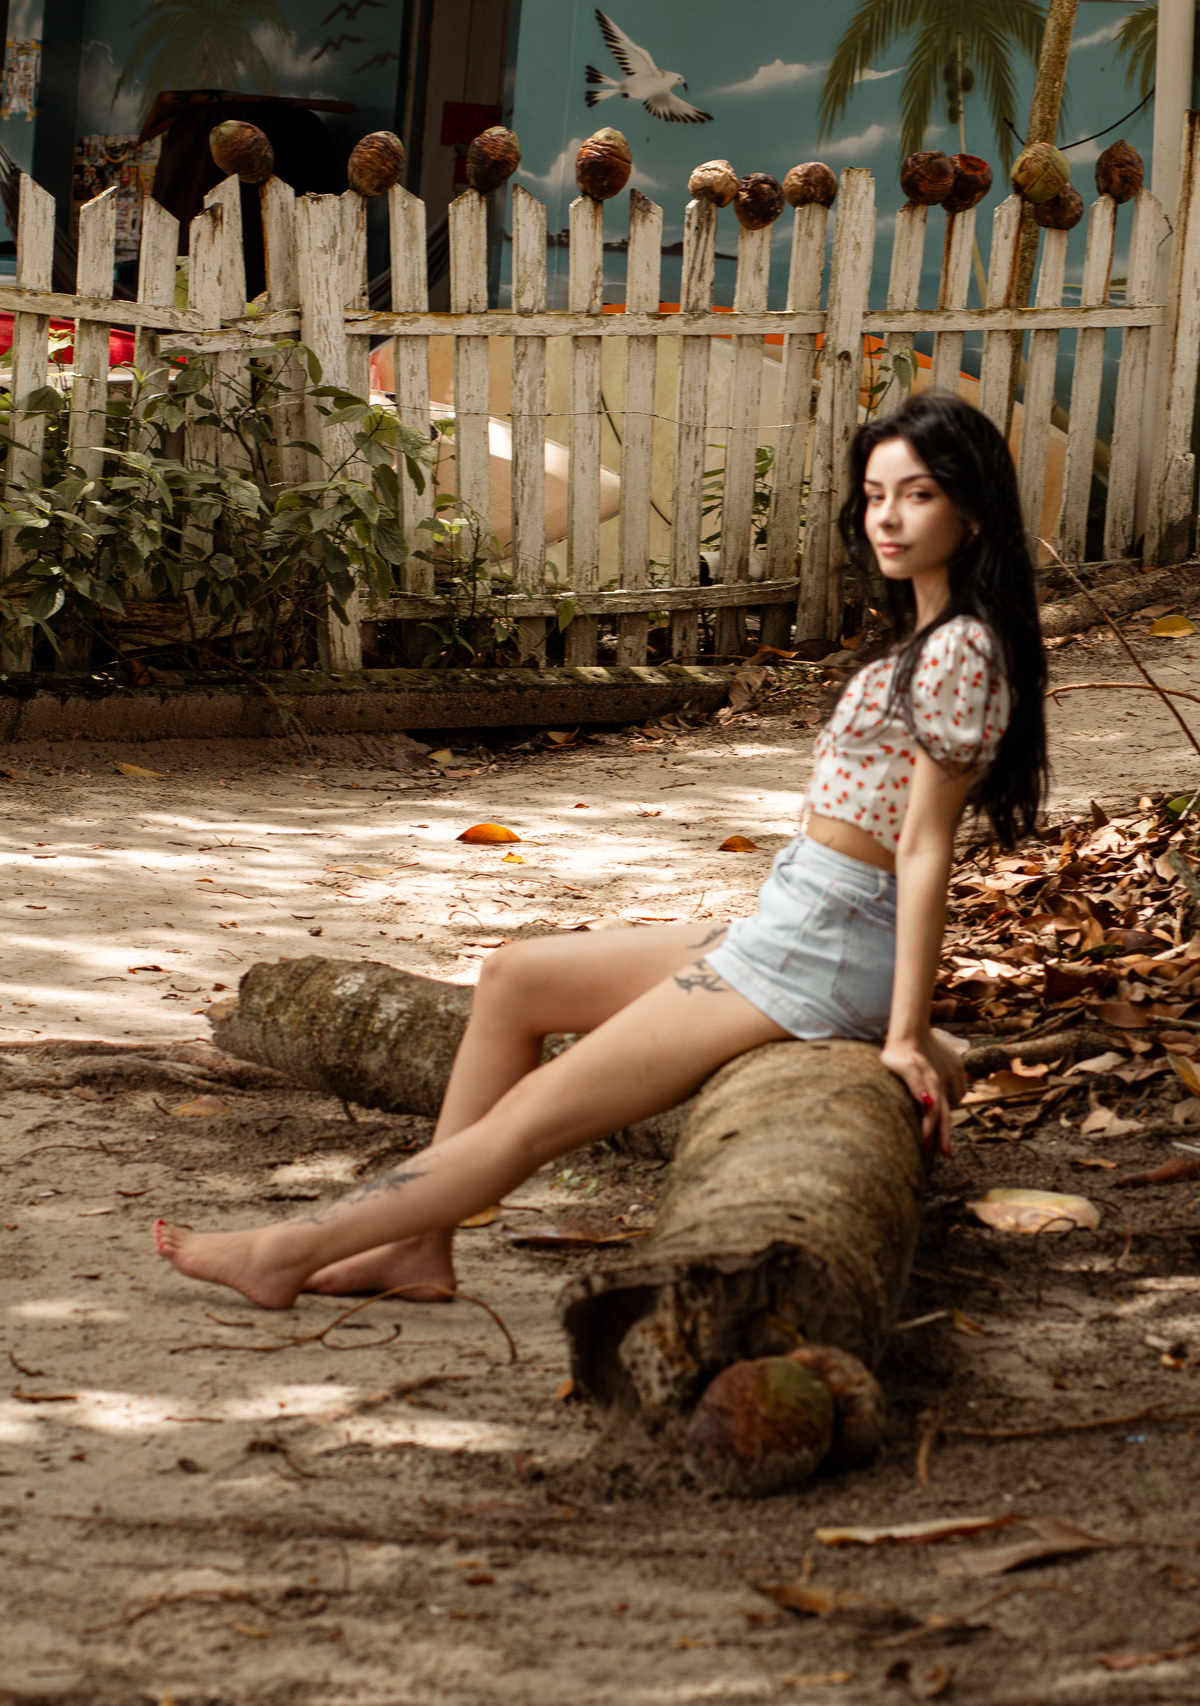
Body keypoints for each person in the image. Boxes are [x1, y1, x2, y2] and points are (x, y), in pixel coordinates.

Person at [155, 393, 1047, 1310]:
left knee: (531, 1119)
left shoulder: (960, 651)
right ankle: (416, 1246)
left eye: (918, 495)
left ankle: (285, 1251)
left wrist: (904, 1031)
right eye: (875, 495)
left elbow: (925, 850)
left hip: (822, 946)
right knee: (516, 978)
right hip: (801, 918)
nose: (888, 518)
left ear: (973, 512)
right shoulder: (927, 636)